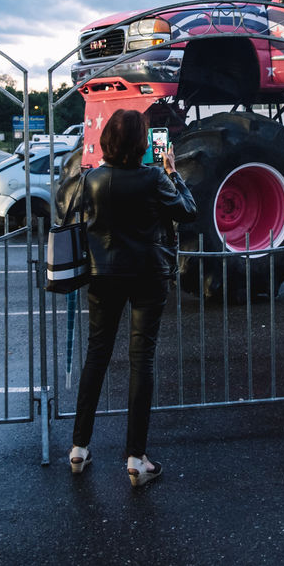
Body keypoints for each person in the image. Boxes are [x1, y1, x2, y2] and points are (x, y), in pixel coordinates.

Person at [67, 109, 195, 487]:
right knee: (142, 359)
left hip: (102, 275)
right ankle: (137, 459)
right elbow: (188, 211)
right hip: (148, 275)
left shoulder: (91, 179)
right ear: (142, 143)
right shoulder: (154, 178)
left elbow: (65, 208)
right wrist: (173, 172)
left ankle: (79, 448)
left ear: (107, 140)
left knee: (97, 355)